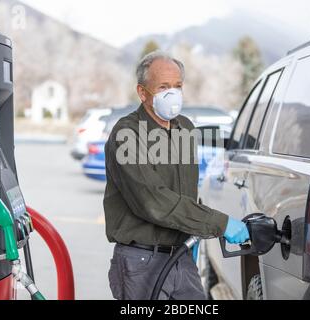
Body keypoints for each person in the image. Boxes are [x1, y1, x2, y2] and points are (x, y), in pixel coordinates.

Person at [104, 51, 249, 300]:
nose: (173, 93)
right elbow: (152, 202)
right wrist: (220, 223)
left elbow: (184, 194)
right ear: (142, 92)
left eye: (178, 86)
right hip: (141, 261)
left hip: (181, 257)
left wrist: (194, 231)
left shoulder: (185, 128)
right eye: (163, 87)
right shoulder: (126, 134)